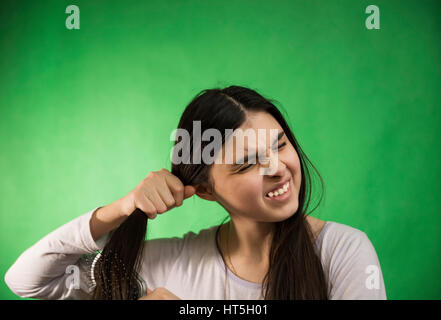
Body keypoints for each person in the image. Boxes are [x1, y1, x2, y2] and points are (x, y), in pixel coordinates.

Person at [4, 85, 387, 300]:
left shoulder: (344, 252)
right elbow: (27, 279)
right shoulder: (168, 262)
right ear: (204, 189)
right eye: (248, 163)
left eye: (280, 144)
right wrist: (123, 207)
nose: (277, 168)